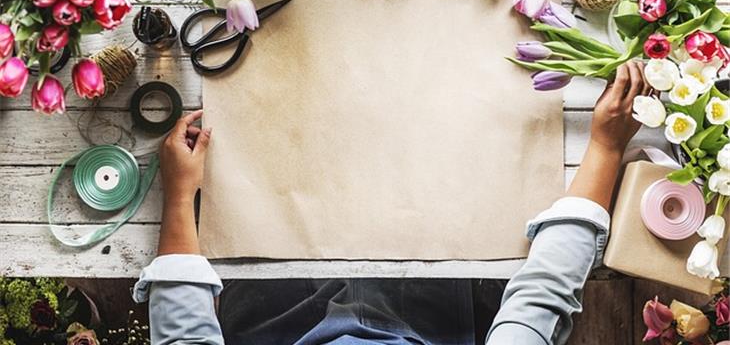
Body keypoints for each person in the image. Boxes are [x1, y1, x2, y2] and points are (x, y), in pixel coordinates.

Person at [133, 61, 652, 345]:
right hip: (438, 317)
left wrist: (179, 196)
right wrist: (605, 147)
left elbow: (182, 334)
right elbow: (542, 296)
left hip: (280, 317)